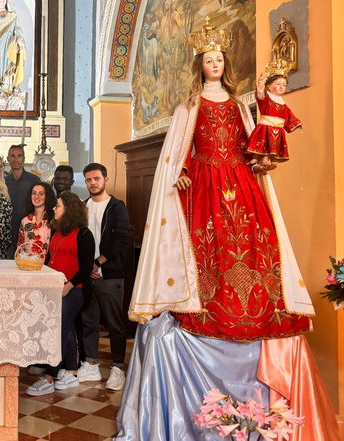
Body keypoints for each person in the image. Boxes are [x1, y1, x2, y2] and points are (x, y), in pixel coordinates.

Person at [117, 20, 337, 440]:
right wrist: (181, 172)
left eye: (220, 59)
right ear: (200, 66)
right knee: (209, 248)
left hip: (239, 180)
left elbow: (250, 143)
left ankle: (257, 307)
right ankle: (207, 304)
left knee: (254, 240)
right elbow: (178, 149)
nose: (215, 64)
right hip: (204, 184)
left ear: (225, 64)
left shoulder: (239, 105)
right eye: (209, 60)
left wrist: (260, 162)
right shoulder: (189, 106)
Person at [26, 191, 95, 396]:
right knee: (64, 330)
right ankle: (71, 371)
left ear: (70, 209)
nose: (54, 209)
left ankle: (50, 376)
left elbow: (85, 267)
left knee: (59, 329)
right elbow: (49, 260)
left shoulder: (83, 234)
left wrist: (68, 286)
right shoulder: (57, 231)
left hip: (74, 290)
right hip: (55, 288)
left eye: (58, 205)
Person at [76, 163, 130, 391]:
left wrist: (99, 262)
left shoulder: (117, 207)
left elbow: (122, 240)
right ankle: (91, 364)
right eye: (88, 180)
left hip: (110, 274)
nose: (92, 183)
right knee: (88, 321)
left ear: (105, 180)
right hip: (87, 274)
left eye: (96, 178)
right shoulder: (82, 207)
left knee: (115, 322)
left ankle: (118, 367)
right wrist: (86, 266)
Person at [246, 60, 301, 167]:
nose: (281, 87)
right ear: (269, 86)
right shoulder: (266, 98)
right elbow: (260, 95)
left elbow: (288, 114)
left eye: (284, 85)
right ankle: (256, 158)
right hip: (266, 127)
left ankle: (267, 160)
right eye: (278, 84)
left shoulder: (282, 102)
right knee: (263, 144)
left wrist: (297, 123)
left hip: (277, 129)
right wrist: (261, 85)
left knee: (272, 148)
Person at [6, 145, 40, 255]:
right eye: (12, 156)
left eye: (19, 156)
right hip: (7, 234)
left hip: (28, 232)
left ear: (24, 159)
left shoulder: (33, 180)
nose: (16, 159)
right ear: (8, 159)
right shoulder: (3, 181)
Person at [16, 182, 55, 254]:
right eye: (34, 193)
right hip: (28, 263)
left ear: (47, 196)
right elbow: (20, 247)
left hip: (47, 264)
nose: (36, 197)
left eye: (41, 194)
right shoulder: (25, 220)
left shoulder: (53, 219)